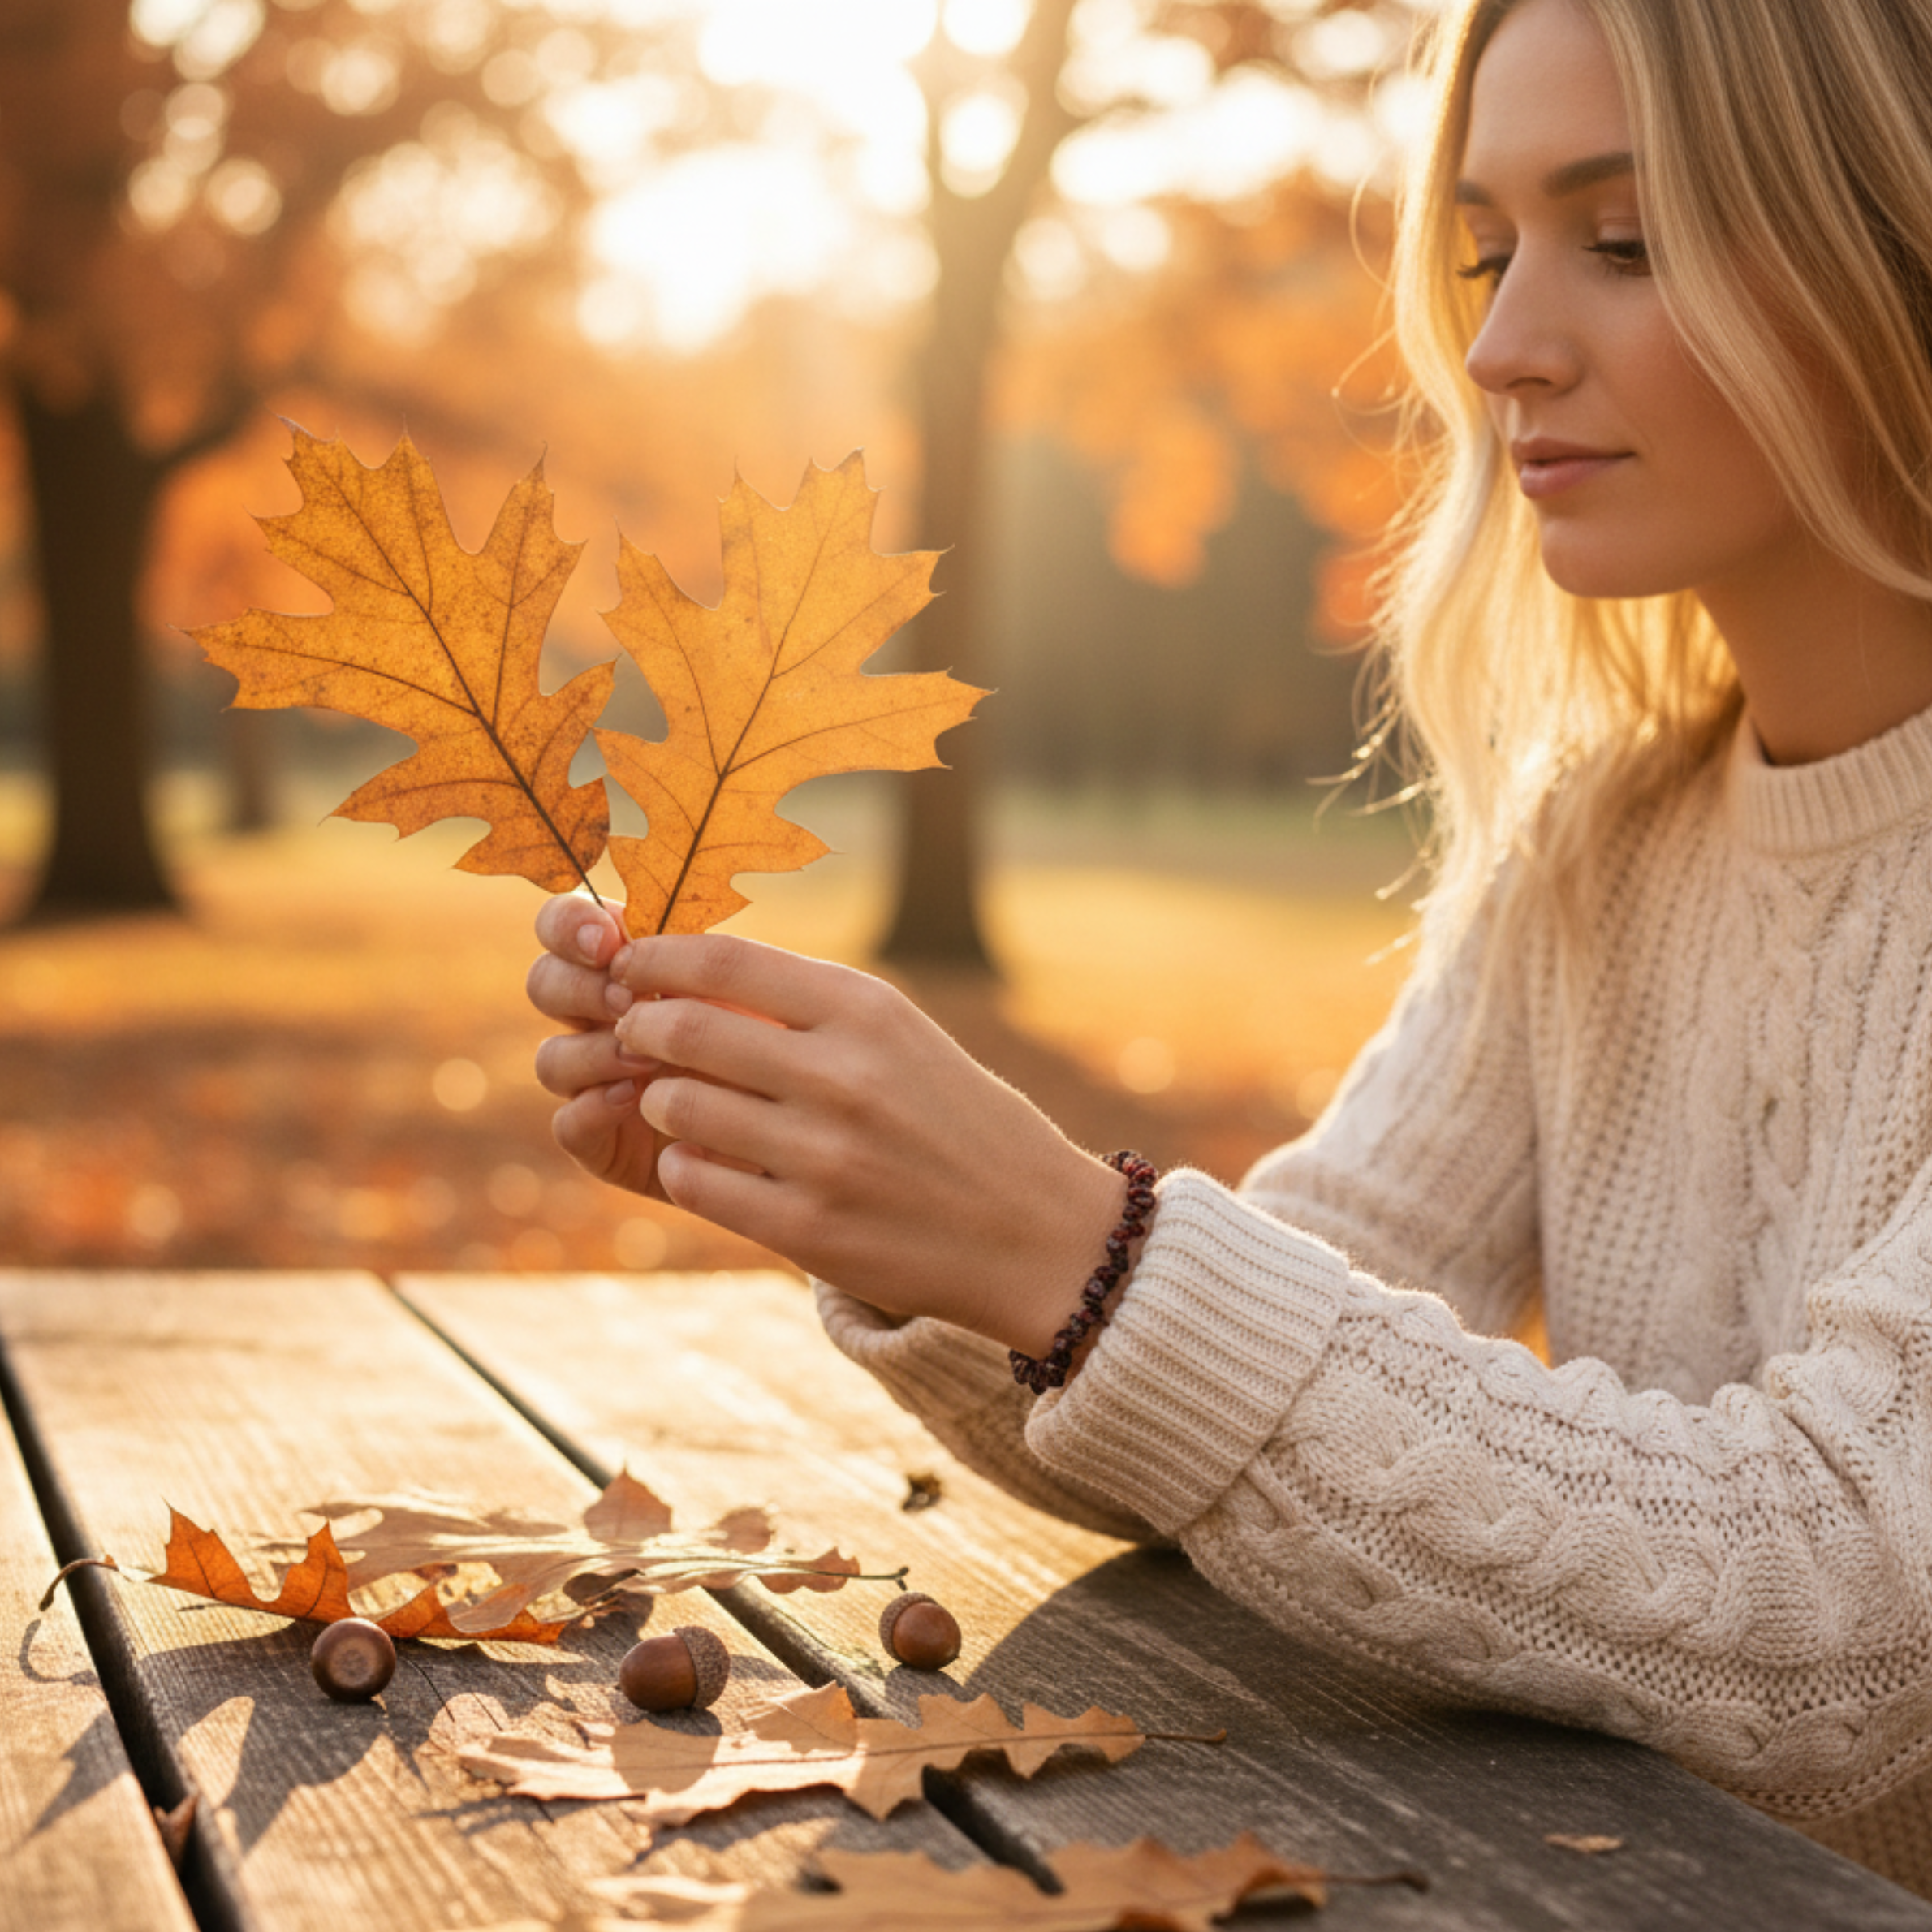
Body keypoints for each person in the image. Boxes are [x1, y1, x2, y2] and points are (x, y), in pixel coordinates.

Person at [523, 0, 1932, 1895]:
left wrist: (1073, 1249)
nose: (1504, 346)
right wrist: (893, 1208)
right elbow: (1238, 1391)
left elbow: (1848, 1620)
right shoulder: (1593, 849)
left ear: (1889, 246)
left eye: (1625, 239)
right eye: (1484, 250)